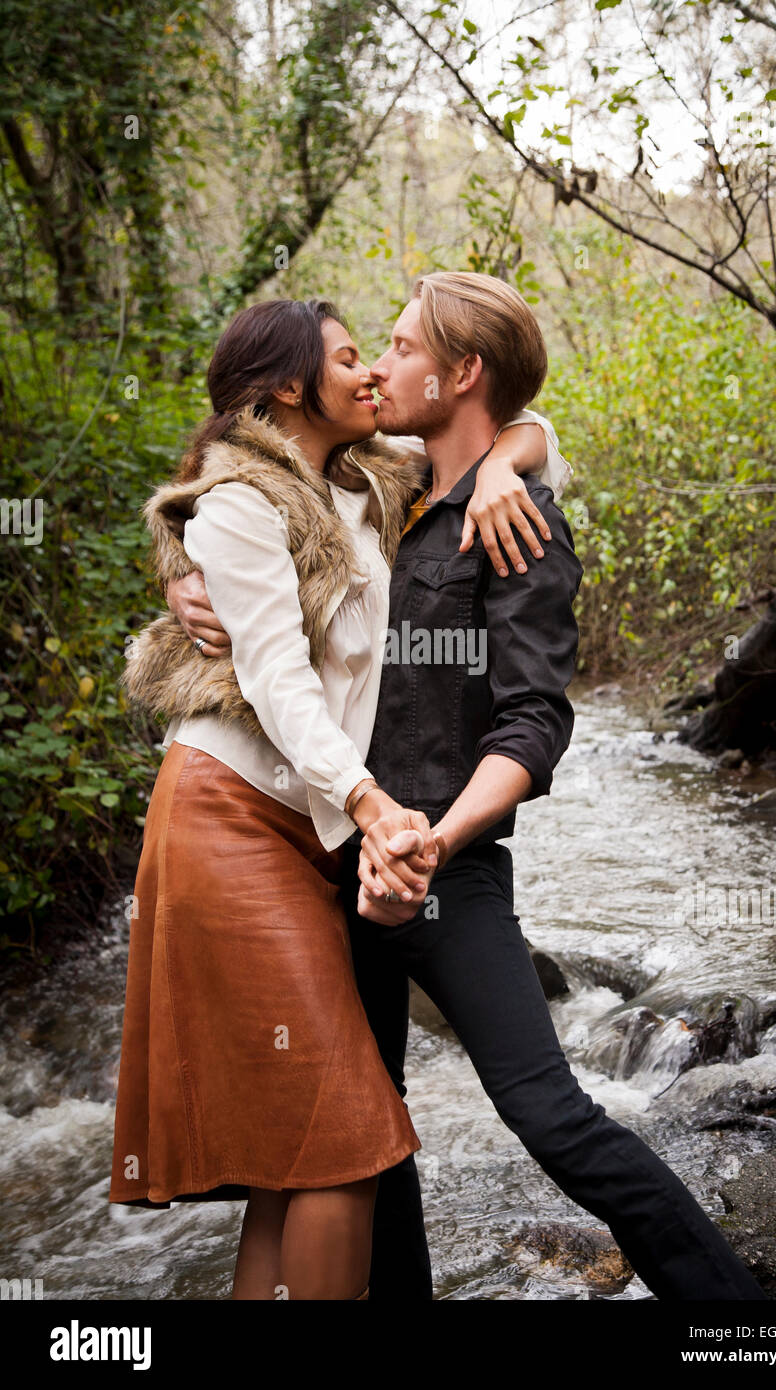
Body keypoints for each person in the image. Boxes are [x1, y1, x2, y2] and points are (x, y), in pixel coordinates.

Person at [172, 272, 769, 1302]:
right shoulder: (374, 495)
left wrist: (433, 842)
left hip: (445, 873)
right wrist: (190, 576)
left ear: (461, 375)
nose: (379, 366)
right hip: (335, 862)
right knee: (369, 1134)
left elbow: (534, 724)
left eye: (401, 347)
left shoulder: (517, 518)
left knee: (551, 1114)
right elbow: (248, 523)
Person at [110, 293, 568, 1302]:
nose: (372, 372)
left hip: (310, 830)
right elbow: (277, 682)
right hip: (231, 817)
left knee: (300, 1152)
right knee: (346, 1134)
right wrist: (368, 803)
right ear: (287, 386)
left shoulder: (370, 481)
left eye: (385, 352)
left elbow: (508, 430)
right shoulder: (239, 503)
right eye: (353, 355)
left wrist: (508, 457)